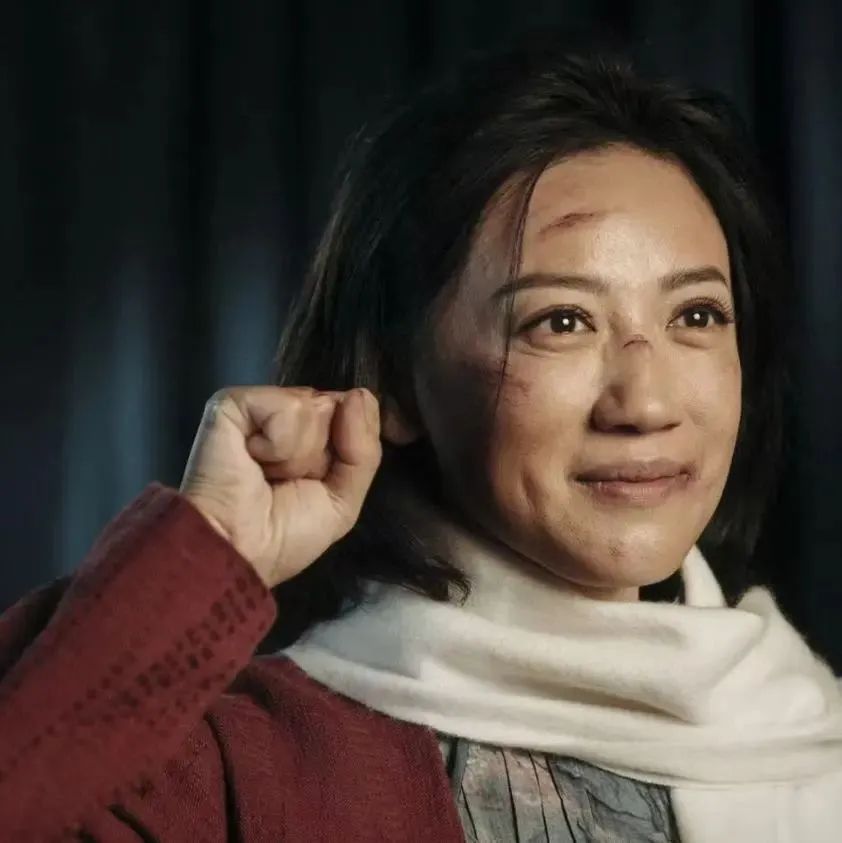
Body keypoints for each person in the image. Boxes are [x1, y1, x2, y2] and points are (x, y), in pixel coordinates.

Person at [1, 35, 840, 843]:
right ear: (393, 378)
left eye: (697, 315)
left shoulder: (803, 730)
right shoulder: (255, 771)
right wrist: (211, 545)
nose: (646, 402)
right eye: (561, 321)